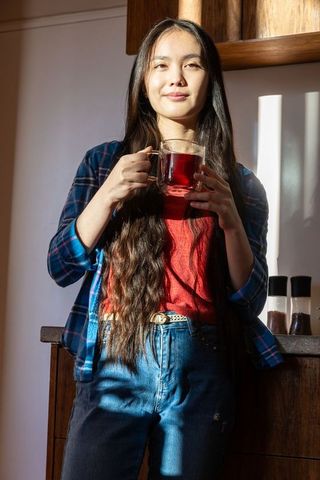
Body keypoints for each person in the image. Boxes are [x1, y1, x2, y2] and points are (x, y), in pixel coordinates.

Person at [47, 18, 283, 480]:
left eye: (191, 65)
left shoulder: (244, 185)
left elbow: (249, 300)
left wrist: (231, 220)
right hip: (115, 355)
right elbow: (60, 266)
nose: (175, 77)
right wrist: (109, 194)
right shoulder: (103, 163)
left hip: (202, 365)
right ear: (143, 83)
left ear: (209, 81)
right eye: (161, 65)